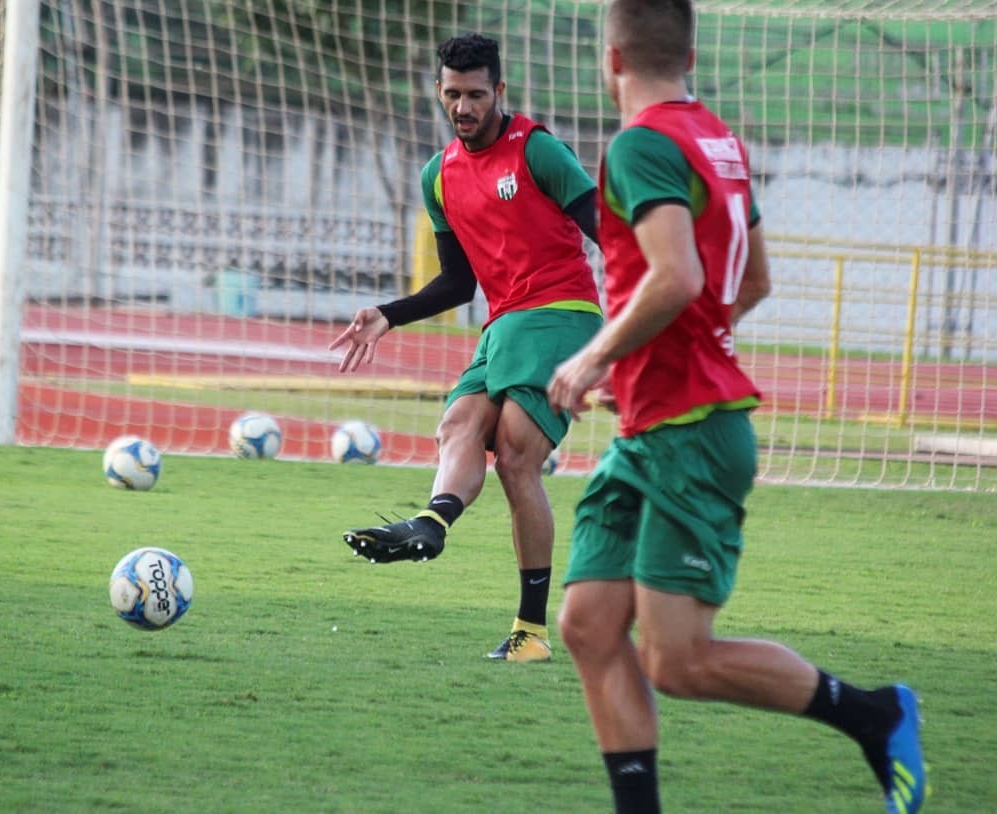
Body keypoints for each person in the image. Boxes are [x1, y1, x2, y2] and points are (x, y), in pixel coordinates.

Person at [546, 1, 928, 811]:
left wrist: (592, 357)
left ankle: (876, 714)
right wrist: (647, 359)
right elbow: (749, 282)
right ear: (689, 51)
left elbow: (679, 276)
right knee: (585, 622)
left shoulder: (640, 145)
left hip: (692, 435)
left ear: (611, 59)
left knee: (676, 661)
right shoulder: (716, 141)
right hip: (655, 428)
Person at [329, 33, 603, 662]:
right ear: (439, 92)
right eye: (452, 94)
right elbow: (459, 281)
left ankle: (530, 634)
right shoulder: (438, 176)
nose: (463, 107)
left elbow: (606, 232)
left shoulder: (539, 151)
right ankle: (432, 522)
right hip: (504, 324)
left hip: (563, 315)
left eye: (476, 95)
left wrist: (624, 339)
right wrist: (388, 315)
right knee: (457, 423)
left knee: (514, 456)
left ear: (499, 92)